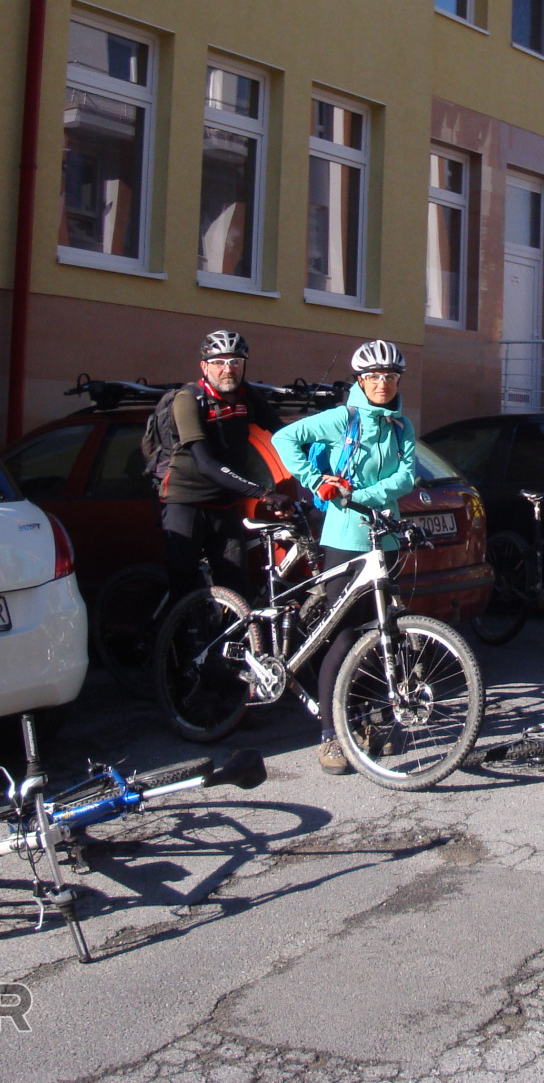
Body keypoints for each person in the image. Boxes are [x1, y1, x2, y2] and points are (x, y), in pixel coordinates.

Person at [272, 339, 418, 777]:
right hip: (344, 539)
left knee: (381, 632)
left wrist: (360, 496)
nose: (382, 384)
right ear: (360, 380)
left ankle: (367, 719)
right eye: (373, 377)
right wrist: (317, 480)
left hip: (384, 539)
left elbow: (406, 477)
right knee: (344, 634)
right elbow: (284, 438)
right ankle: (331, 734)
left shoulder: (401, 425)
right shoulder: (343, 418)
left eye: (389, 377)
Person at [157, 330, 287, 604]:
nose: (228, 369)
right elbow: (205, 464)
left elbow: (282, 432)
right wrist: (263, 493)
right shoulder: (188, 399)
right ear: (204, 366)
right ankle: (174, 630)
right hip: (187, 502)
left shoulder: (247, 395)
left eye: (235, 362)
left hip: (224, 504)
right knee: (184, 587)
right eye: (219, 362)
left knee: (237, 586)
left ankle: (226, 631)